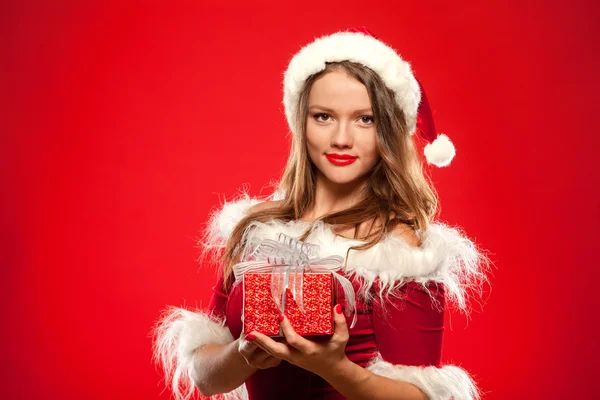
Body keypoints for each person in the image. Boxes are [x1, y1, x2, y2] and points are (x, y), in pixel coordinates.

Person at [153, 27, 489, 400]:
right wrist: (246, 352)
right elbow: (207, 378)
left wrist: (334, 367)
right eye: (324, 116)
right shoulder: (257, 226)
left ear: (389, 132)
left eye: (366, 119)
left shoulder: (399, 247)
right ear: (302, 123)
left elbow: (423, 397)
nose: (341, 138)